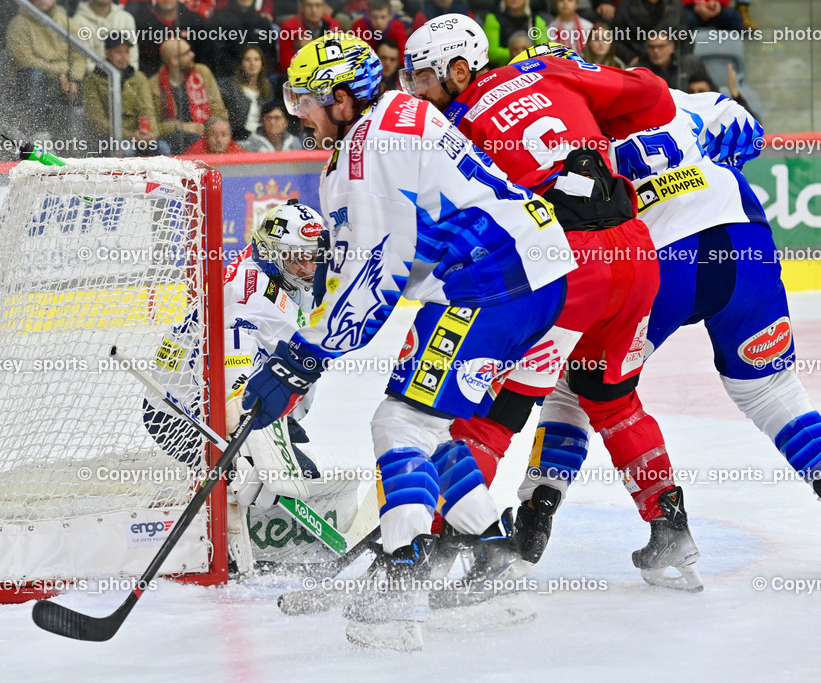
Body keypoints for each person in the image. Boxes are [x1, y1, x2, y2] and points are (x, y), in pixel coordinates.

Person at [241, 34, 577, 650]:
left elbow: (376, 278)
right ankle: (497, 561)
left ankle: (403, 582)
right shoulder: (405, 112)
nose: (299, 115)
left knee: (398, 425)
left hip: (493, 284)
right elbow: (388, 260)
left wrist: (297, 361)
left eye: (307, 100)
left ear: (343, 99)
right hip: (530, 274)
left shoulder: (363, 158)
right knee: (433, 426)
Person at [401, 27, 701, 589]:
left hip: (568, 269)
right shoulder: (544, 70)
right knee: (612, 399)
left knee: (490, 415)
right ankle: (671, 527)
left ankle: (441, 545)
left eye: (421, 76)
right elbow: (656, 98)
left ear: (459, 70)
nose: (415, 92)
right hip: (635, 255)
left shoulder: (449, 131)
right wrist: (586, 109)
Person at [517, 88, 821, 571]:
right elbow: (744, 128)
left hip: (660, 259)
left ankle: (534, 515)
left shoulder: (568, 131)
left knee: (578, 387)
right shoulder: (683, 97)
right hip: (744, 241)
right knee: (772, 389)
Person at [144, 200, 356, 575]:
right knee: (270, 481)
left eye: (313, 257)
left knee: (279, 473)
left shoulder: (272, 269)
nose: (309, 268)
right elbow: (233, 377)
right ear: (274, 254)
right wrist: (244, 447)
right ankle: (223, 543)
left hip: (214, 392)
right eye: (298, 259)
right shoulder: (248, 297)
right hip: (183, 413)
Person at [5, 0, 86, 138]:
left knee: (85, 83)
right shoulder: (18, 23)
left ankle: (75, 142)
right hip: (25, 84)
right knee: (34, 74)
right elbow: (24, 59)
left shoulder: (65, 23)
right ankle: (38, 133)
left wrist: (75, 80)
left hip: (60, 80)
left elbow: (79, 56)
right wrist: (60, 71)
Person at [83, 35, 168, 156]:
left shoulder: (139, 78)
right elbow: (97, 121)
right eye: (118, 52)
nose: (124, 57)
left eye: (127, 52)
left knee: (163, 148)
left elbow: (147, 110)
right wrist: (128, 135)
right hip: (107, 138)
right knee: (127, 150)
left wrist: (150, 134)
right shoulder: (93, 80)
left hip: (138, 135)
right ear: (107, 52)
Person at [150, 38, 228, 154]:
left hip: (206, 133)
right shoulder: (153, 85)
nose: (192, 55)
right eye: (186, 53)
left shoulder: (203, 73)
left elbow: (219, 109)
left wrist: (208, 129)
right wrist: (181, 126)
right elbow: (153, 128)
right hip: (173, 138)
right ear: (174, 60)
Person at [128, 0, 212, 77]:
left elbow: (204, 55)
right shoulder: (144, 23)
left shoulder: (194, 20)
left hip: (191, 76)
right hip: (156, 79)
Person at [209, 0, 277, 78]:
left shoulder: (263, 23)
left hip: (259, 80)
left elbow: (270, 57)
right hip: (230, 79)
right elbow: (218, 56)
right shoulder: (218, 21)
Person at [219, 45, 274, 141]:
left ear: (262, 64)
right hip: (238, 137)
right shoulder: (230, 87)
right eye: (248, 60)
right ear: (241, 64)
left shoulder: (267, 87)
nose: (252, 63)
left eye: (256, 59)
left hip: (263, 136)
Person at [72, 0, 140, 73]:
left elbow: (133, 60)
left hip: (125, 78)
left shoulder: (126, 18)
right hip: (94, 80)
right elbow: (83, 63)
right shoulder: (77, 21)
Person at [277, 0, 341, 74]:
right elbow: (286, 64)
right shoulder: (288, 27)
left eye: (318, 5)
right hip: (300, 75)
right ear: (302, 7)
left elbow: (338, 58)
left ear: (324, 7)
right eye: (309, 5)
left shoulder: (333, 24)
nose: (314, 10)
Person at [643, 36, 712, 91]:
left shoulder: (690, 63)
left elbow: (714, 91)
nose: (656, 51)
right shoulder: (641, 70)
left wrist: (705, 90)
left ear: (672, 47)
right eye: (651, 47)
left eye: (661, 46)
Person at [241, 100, 305, 152]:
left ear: (286, 122)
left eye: (277, 118)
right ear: (262, 121)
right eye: (268, 118)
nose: (272, 122)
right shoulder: (249, 144)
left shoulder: (294, 142)